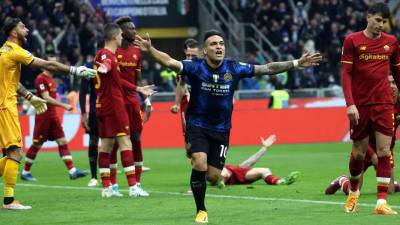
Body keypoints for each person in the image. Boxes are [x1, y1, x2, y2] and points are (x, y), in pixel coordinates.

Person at [135, 29, 321, 223]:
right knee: (199, 161)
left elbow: (266, 68)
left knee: (214, 175)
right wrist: (151, 49)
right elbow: (169, 62)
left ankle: (206, 183)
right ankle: (201, 210)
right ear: (204, 51)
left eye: (221, 43)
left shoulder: (234, 68)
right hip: (197, 125)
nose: (218, 47)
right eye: (213, 44)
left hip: (222, 130)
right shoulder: (195, 67)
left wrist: (296, 63)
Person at [0, 17, 96, 210]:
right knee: (16, 152)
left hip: (5, 104)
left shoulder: (4, 51)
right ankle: (9, 201)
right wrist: (75, 70)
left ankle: (9, 199)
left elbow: (11, 82)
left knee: (13, 153)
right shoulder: (15, 51)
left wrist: (30, 97)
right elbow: (48, 64)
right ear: (13, 32)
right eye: (22, 27)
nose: (27, 29)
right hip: (5, 107)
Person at [341, 3, 400, 215]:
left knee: (385, 151)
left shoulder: (392, 43)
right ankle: (353, 193)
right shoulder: (352, 41)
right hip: (360, 104)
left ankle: (381, 203)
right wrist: (350, 104)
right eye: (377, 20)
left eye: (383, 22)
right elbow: (346, 74)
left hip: (384, 103)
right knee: (359, 153)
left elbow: (397, 71)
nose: (380, 25)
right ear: (368, 17)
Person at [93, 23, 155, 198]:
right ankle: (133, 187)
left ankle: (106, 188)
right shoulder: (108, 56)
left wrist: (139, 89)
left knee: (106, 145)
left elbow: (117, 80)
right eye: (120, 35)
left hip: (102, 105)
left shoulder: (99, 54)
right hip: (115, 106)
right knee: (126, 142)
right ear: (114, 37)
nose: (122, 38)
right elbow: (106, 65)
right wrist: (105, 66)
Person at [326, 75, 400, 195]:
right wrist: (373, 155)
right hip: (365, 149)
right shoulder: (373, 103)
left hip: (385, 150)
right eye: (388, 83)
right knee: (354, 191)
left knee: (390, 191)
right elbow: (358, 135)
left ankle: (394, 185)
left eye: (394, 83)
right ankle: (342, 180)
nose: (392, 86)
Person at [21, 55, 88, 182]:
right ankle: (25, 172)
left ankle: (72, 171)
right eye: (52, 63)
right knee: (37, 144)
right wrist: (63, 105)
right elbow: (45, 97)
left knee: (62, 141)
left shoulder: (51, 79)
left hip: (53, 115)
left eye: (56, 63)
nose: (55, 65)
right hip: (44, 115)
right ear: (46, 63)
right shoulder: (41, 79)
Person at [215, 135, 300, 187]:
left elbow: (248, 163)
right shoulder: (213, 167)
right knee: (224, 171)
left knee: (265, 170)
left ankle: (280, 181)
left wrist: (265, 148)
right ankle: (221, 182)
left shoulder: (232, 168)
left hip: (238, 175)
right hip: (222, 174)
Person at [170, 38, 201, 136]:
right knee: (190, 139)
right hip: (188, 108)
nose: (190, 59)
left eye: (194, 56)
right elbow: (181, 84)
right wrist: (177, 104)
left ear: (201, 54)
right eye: (188, 55)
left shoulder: (208, 67)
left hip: (205, 108)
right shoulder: (183, 68)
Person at [79, 55, 100, 187]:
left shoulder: (116, 61)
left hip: (113, 108)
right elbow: (83, 92)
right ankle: (93, 176)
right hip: (95, 110)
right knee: (93, 141)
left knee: (115, 142)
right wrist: (83, 114)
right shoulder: (89, 66)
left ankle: (109, 174)